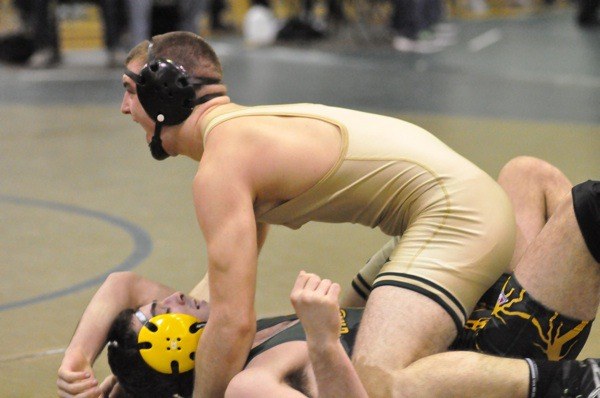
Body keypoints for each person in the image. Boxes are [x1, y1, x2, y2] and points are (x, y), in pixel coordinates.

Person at [120, 30, 527, 397]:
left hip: (456, 219)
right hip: (458, 208)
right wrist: (143, 365)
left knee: (373, 381)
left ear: (163, 94)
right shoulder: (241, 133)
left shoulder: (221, 167)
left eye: (129, 90)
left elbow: (233, 323)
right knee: (343, 336)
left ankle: (580, 382)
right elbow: (221, 287)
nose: (124, 107)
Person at [57, 156, 600, 397]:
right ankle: (577, 385)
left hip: (468, 323)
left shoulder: (230, 329)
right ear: (169, 344)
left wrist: (78, 363)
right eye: (161, 312)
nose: (171, 294)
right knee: (588, 210)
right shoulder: (247, 384)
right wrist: (320, 339)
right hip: (487, 360)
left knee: (527, 176)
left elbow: (122, 286)